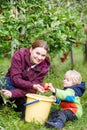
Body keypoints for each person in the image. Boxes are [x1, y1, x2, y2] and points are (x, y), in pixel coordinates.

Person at [0, 40, 50, 119]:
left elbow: (32, 91)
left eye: (43, 55)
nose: (39, 57)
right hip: (11, 83)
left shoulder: (43, 68)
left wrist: (12, 93)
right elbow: (15, 79)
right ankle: (10, 102)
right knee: (3, 83)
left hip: (25, 92)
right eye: (37, 53)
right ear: (31, 49)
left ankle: (13, 103)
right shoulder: (19, 55)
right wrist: (32, 85)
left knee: (27, 102)